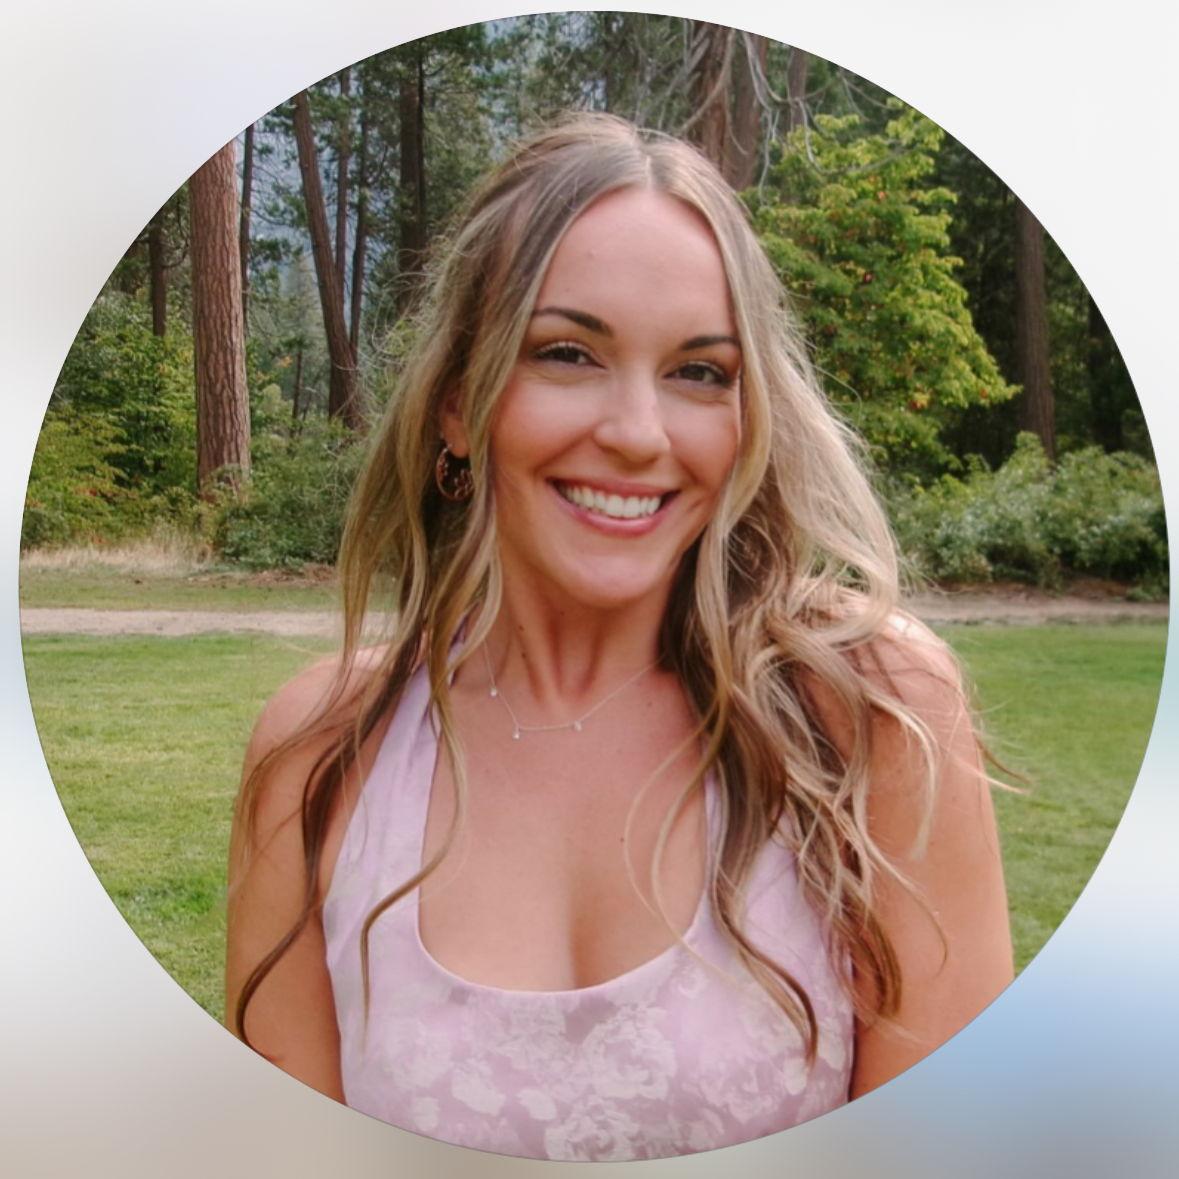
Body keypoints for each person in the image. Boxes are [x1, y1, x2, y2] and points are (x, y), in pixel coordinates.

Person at [225, 113, 1012, 1162]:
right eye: (568, 354)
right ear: (458, 405)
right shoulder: (322, 756)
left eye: (700, 372)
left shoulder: (867, 713)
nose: (639, 433)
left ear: (749, 417)